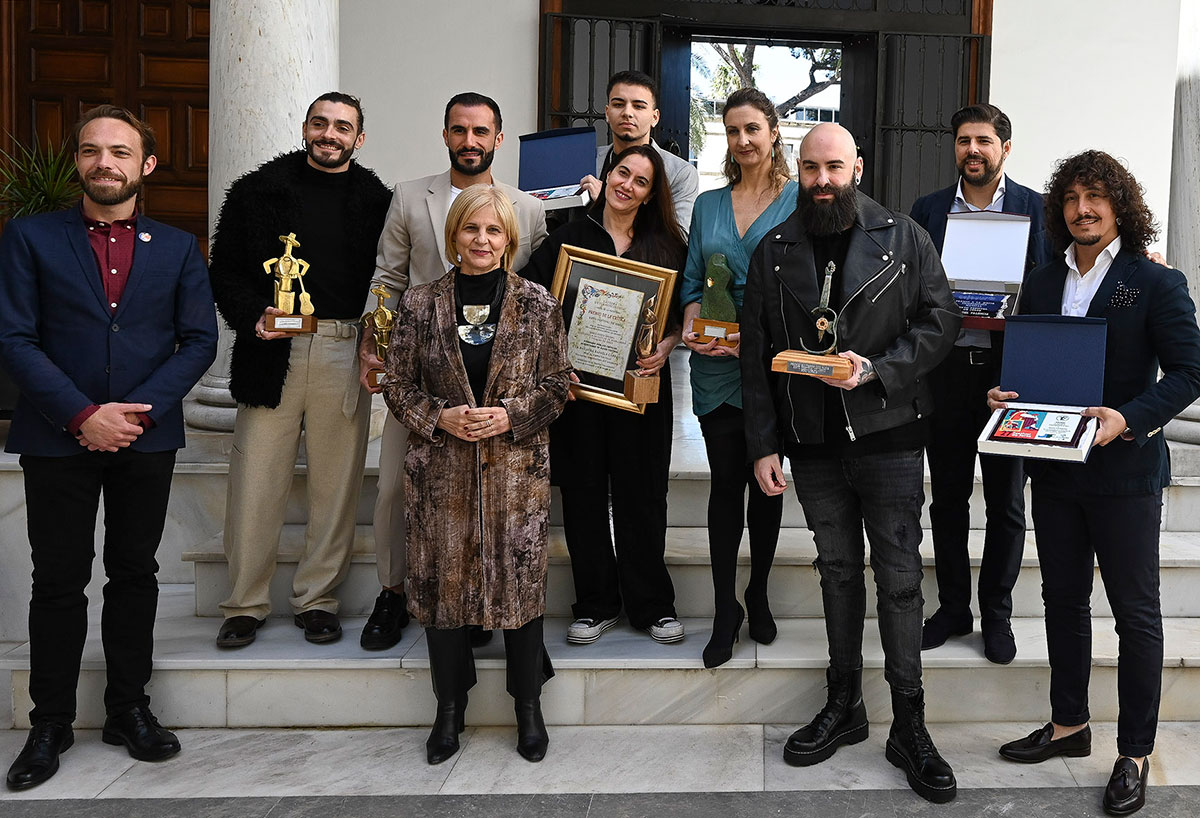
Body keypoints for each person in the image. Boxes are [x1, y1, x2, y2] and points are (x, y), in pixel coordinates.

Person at [740, 123, 961, 803]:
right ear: (797, 170)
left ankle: (909, 724)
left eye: (834, 166)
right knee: (837, 573)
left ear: (857, 166)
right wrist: (762, 442)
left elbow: (941, 322)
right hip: (809, 443)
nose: (823, 180)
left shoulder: (904, 237)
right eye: (811, 169)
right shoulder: (774, 249)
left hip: (890, 435)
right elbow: (757, 354)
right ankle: (845, 706)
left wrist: (878, 372)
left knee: (898, 582)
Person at [0, 105, 217, 790]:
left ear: (145, 165)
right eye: (93, 150)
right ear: (78, 163)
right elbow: (14, 338)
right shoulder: (29, 238)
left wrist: (135, 416)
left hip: (144, 442)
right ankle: (50, 722)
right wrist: (81, 415)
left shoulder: (179, 247)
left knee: (134, 574)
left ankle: (128, 709)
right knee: (57, 581)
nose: (106, 162)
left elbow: (199, 341)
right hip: (57, 439)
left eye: (120, 151)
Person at [990, 150, 1200, 817]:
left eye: (1096, 198)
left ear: (1120, 206)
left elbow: (1190, 373)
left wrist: (1129, 420)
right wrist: (1006, 395)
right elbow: (1028, 365)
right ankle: (1068, 725)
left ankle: (1134, 751)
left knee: (1136, 617)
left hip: (1128, 475)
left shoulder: (1156, 282)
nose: (1084, 210)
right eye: (1073, 199)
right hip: (1053, 473)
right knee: (1061, 602)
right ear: (1059, 209)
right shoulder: (1042, 281)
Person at [383, 185, 570, 765]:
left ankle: (528, 710)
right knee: (444, 595)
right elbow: (396, 385)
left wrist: (509, 415)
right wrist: (439, 415)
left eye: (493, 231)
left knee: (518, 592)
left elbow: (559, 386)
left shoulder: (537, 303)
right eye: (471, 230)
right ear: (453, 237)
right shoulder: (419, 304)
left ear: (509, 239)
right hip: (441, 474)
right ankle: (449, 710)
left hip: (516, 477)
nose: (482, 241)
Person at [358, 91, 548, 651]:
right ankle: (393, 592)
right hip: (422, 382)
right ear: (445, 135)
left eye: (481, 131)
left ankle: (484, 596)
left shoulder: (527, 207)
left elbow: (539, 292)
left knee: (491, 498)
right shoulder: (410, 197)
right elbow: (387, 277)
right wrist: (374, 340)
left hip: (497, 389)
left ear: (498, 138)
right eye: (459, 130)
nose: (470, 141)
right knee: (394, 489)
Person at [208, 92, 392, 648]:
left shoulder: (378, 200)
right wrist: (250, 315)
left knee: (336, 485)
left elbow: (392, 276)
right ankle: (244, 603)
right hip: (272, 348)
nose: (329, 134)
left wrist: (378, 341)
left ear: (358, 139)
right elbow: (226, 272)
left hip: (344, 346)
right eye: (320, 123)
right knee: (255, 479)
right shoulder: (254, 192)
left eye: (343, 127)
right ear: (305, 127)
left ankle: (317, 600)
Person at [523, 144, 686, 646]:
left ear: (651, 194)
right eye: (622, 173)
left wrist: (668, 344)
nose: (627, 185)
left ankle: (651, 606)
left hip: (641, 393)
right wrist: (553, 364)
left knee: (643, 497)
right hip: (578, 396)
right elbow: (528, 304)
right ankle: (595, 604)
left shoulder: (669, 248)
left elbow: (684, 314)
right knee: (584, 498)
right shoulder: (565, 240)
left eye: (641, 181)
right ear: (606, 174)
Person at [909, 103, 1050, 664]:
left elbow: (1047, 291)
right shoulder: (928, 209)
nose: (974, 150)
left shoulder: (1035, 209)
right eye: (965, 140)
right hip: (945, 376)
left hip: (1007, 379)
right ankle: (952, 608)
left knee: (1007, 505)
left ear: (1005, 149)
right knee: (946, 501)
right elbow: (914, 289)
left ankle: (997, 612)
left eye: (984, 141)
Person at [679, 88, 796, 668]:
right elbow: (692, 279)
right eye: (732, 131)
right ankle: (726, 607)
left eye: (753, 128)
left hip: (773, 368)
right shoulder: (706, 204)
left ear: (773, 131)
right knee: (725, 483)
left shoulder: (801, 201)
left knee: (766, 481)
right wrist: (692, 322)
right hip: (716, 366)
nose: (743, 140)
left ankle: (760, 590)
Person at [579, 70, 700, 235]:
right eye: (618, 104)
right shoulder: (586, 159)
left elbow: (679, 237)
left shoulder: (680, 173)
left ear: (655, 117)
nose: (627, 113)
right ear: (607, 113)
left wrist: (607, 198)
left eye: (638, 106)